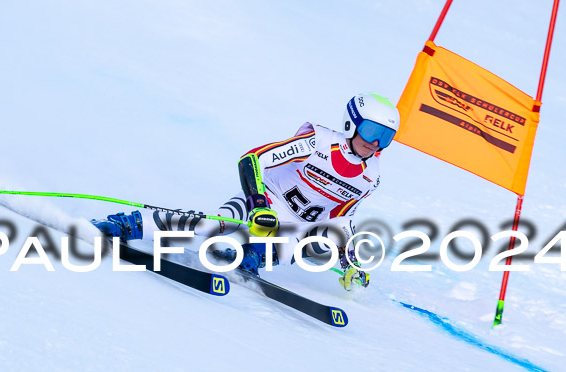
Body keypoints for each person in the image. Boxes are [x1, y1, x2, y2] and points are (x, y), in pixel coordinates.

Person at [93, 92, 400, 290]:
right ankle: (129, 224)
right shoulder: (317, 142)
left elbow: (342, 217)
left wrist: (349, 257)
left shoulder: (369, 178)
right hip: (264, 200)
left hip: (295, 225)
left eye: (385, 137)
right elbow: (252, 159)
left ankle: (247, 258)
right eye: (372, 131)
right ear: (352, 123)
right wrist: (258, 204)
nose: (374, 143)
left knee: (304, 245)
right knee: (215, 225)